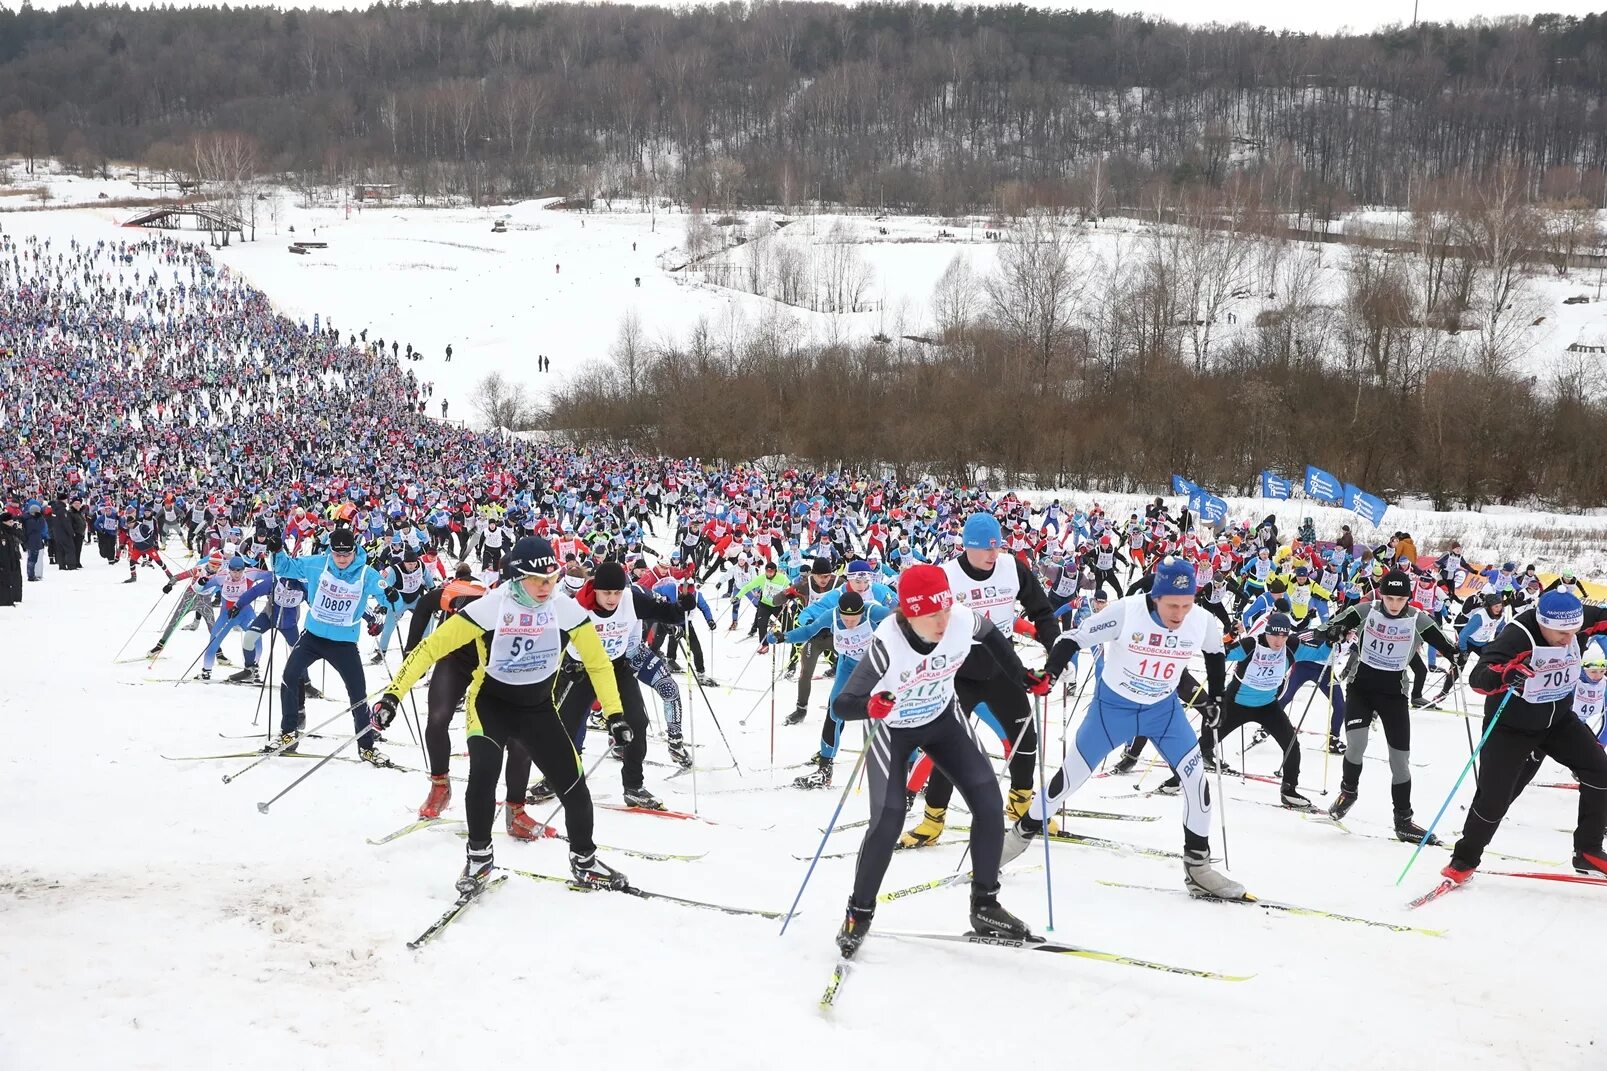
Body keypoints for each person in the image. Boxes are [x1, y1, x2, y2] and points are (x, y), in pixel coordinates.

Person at [376, 536, 631, 894]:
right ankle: (479, 857)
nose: (546, 587)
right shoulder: (492, 607)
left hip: (538, 709)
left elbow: (599, 664)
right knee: (483, 773)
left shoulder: (565, 609)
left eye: (552, 578)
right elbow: (430, 648)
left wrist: (615, 714)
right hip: (490, 706)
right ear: (515, 578)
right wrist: (392, 695)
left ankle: (585, 861)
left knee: (574, 785)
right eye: (536, 579)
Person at [1003, 556, 1244, 900]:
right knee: (1065, 783)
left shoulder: (1201, 620)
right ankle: (1015, 839)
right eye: (1172, 605)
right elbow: (1073, 639)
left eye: (1187, 605)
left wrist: (1216, 699)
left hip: (1164, 715)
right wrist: (1051, 673)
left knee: (1197, 783)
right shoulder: (1127, 611)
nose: (1179, 614)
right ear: (1156, 597)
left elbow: (1215, 654)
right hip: (1111, 712)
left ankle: (1199, 868)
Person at [830, 564, 1039, 957]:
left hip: (942, 719)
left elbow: (993, 636)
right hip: (892, 730)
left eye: (945, 610)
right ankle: (859, 912)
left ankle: (985, 905)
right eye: (931, 615)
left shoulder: (960, 619)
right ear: (909, 614)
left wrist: (1022, 676)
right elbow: (842, 705)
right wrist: (871, 706)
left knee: (989, 803)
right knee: (889, 818)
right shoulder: (887, 641)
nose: (943, 622)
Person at [899, 511, 1061, 847]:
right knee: (947, 750)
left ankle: (1020, 805)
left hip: (1003, 667)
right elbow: (917, 621)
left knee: (1025, 739)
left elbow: (1041, 610)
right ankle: (932, 821)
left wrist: (1055, 648)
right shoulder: (945, 576)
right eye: (985, 548)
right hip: (957, 671)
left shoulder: (1012, 568)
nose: (992, 554)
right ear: (967, 546)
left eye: (997, 547)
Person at [1443, 590, 1607, 883]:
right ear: (1543, 623)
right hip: (1511, 728)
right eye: (1560, 633)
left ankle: (1588, 849)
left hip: (1558, 721)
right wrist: (1505, 675)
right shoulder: (1518, 635)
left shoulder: (1572, 621)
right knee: (1496, 798)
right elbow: (1479, 677)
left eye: (1573, 632)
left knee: (1600, 769)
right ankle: (1465, 858)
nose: (1569, 639)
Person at [1314, 569, 1460, 840]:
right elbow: (1327, 627)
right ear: (1381, 595)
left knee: (1400, 761)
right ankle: (1348, 792)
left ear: (1408, 598)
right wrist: (1330, 632)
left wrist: (1455, 654)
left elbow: (1443, 643)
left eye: (1400, 599)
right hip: (1361, 689)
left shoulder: (1418, 619)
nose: (1394, 604)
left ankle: (1403, 820)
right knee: (1356, 745)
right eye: (1389, 598)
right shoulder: (1366, 610)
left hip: (1394, 695)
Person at [555, 561, 694, 810]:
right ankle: (553, 778)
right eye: (607, 592)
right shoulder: (576, 607)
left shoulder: (630, 599)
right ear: (595, 589)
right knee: (566, 725)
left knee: (637, 723)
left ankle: (633, 786)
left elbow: (663, 612)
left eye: (617, 592)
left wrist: (681, 608)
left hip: (617, 668)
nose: (612, 599)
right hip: (581, 670)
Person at [268, 526, 391, 760]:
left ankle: (366, 746)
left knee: (358, 692)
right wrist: (277, 551)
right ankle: (288, 733)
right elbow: (284, 568)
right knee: (290, 676)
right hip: (313, 637)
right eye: (337, 554)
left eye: (347, 554)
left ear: (354, 551)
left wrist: (385, 605)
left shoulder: (366, 573)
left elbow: (384, 592)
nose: (342, 559)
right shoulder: (318, 564)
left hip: (343, 643)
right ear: (330, 552)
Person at [784, 589, 892, 789]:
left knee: (893, 715)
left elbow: (899, 616)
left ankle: (911, 770)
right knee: (835, 711)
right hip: (848, 667)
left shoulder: (872, 613)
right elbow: (809, 631)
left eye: (854, 619)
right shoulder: (832, 615)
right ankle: (825, 769)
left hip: (877, 668)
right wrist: (784, 636)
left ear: (862, 611)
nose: (849, 623)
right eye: (845, 618)